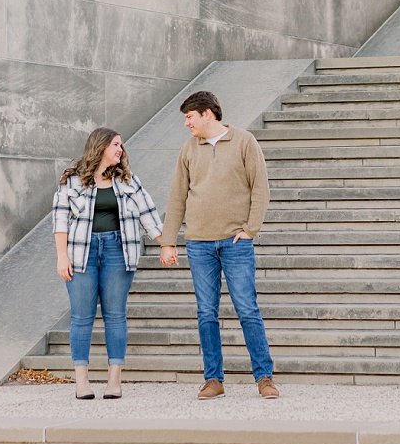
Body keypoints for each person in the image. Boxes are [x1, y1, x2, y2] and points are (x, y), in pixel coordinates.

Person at [158, 90, 280, 400]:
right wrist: (168, 241)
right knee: (206, 313)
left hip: (235, 242)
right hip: (199, 243)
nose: (187, 123)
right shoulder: (188, 150)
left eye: (190, 117)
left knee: (247, 308)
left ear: (207, 114)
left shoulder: (243, 141)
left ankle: (264, 377)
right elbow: (176, 197)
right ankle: (213, 379)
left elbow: (260, 189)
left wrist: (251, 229)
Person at [52, 127, 164, 399]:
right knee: (81, 316)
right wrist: (62, 256)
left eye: (121, 145)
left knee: (115, 315)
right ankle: (82, 382)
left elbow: (148, 214)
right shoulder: (72, 181)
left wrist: (167, 245)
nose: (120, 150)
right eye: (116, 144)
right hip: (81, 254)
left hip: (117, 250)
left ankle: (114, 380)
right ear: (100, 147)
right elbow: (60, 221)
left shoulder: (128, 181)